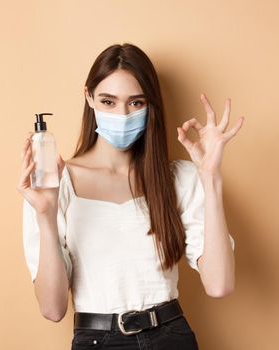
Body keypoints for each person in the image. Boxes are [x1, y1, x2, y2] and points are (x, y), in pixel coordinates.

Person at [17, 43, 244, 350]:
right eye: (108, 101)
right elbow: (52, 308)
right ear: (89, 97)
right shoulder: (55, 184)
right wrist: (45, 216)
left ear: (151, 105)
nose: (121, 114)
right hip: (97, 339)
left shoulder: (177, 178)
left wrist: (210, 177)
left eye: (136, 103)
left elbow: (219, 285)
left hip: (171, 336)